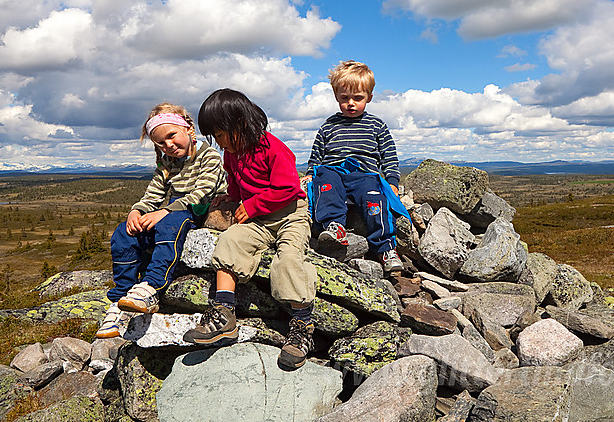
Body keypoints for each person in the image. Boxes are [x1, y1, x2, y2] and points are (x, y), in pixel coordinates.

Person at [183, 89, 317, 370]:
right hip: (259, 219)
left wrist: (253, 205)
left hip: (289, 214)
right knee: (230, 240)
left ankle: (303, 326)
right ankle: (224, 313)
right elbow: (235, 179)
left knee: (289, 258)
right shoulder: (233, 153)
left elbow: (287, 189)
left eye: (220, 134)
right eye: (215, 137)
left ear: (240, 124)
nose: (219, 143)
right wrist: (230, 197)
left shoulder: (275, 149)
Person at [96, 103, 226, 339]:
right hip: (175, 209)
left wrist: (164, 212)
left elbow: (201, 194)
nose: (169, 145)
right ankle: (121, 300)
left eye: (172, 136)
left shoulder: (210, 155)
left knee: (169, 224)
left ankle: (151, 286)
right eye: (161, 143)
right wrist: (136, 212)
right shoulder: (166, 163)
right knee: (124, 233)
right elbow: (153, 194)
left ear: (188, 127)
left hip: (202, 208)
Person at [303, 60, 408, 273]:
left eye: (358, 98)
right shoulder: (329, 126)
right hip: (333, 172)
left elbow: (389, 156)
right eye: (344, 98)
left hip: (364, 175)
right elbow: (317, 155)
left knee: (376, 199)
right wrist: (310, 174)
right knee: (325, 181)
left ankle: (386, 249)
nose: (351, 103)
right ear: (336, 97)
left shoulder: (376, 125)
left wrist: (392, 182)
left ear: (369, 97)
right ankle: (334, 227)